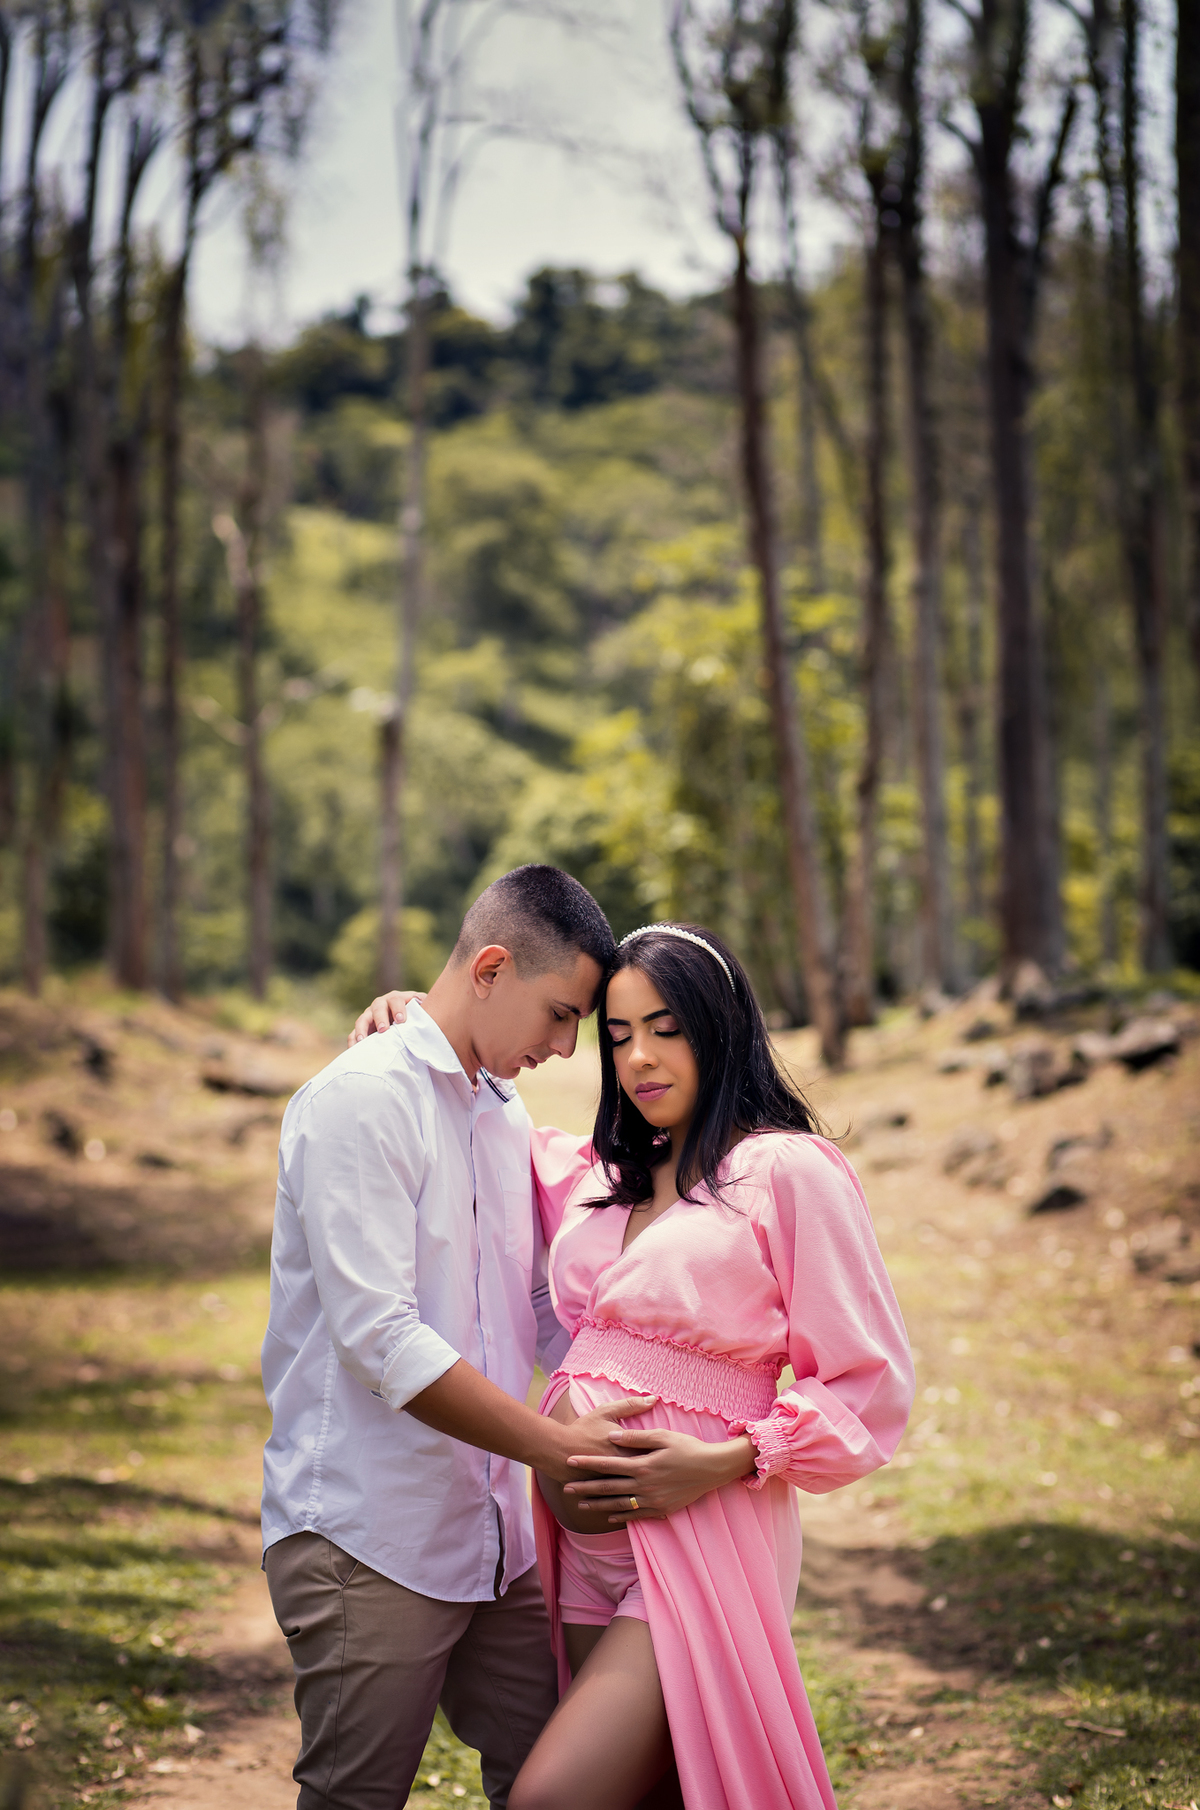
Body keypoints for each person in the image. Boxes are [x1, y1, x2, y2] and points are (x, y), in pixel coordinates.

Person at [358, 921, 913, 1810]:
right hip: (582, 1549)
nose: (640, 1059)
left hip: (701, 1528)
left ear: (720, 1027)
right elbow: (488, 1116)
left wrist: (729, 1459)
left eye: (666, 1028)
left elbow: (868, 1382)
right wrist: (422, 1019)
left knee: (551, 1797)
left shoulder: (785, 1171)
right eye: (617, 1037)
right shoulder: (601, 1175)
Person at [263, 866, 679, 1810]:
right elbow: (381, 1340)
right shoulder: (361, 1100)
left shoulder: (500, 1109)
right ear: (491, 968)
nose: (568, 1048)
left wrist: (602, 1396)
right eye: (561, 1014)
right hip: (372, 1535)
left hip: (499, 1538)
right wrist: (558, 1448)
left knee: (563, 1784)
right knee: (354, 1797)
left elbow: (531, 1296)